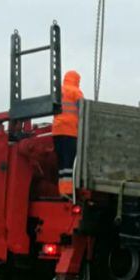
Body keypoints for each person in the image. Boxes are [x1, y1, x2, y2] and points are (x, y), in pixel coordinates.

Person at [53, 69, 83, 198]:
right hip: (70, 132)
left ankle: (62, 191)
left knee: (61, 165)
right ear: (76, 80)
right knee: (70, 164)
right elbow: (84, 110)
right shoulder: (76, 92)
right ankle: (69, 192)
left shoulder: (58, 91)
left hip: (57, 131)